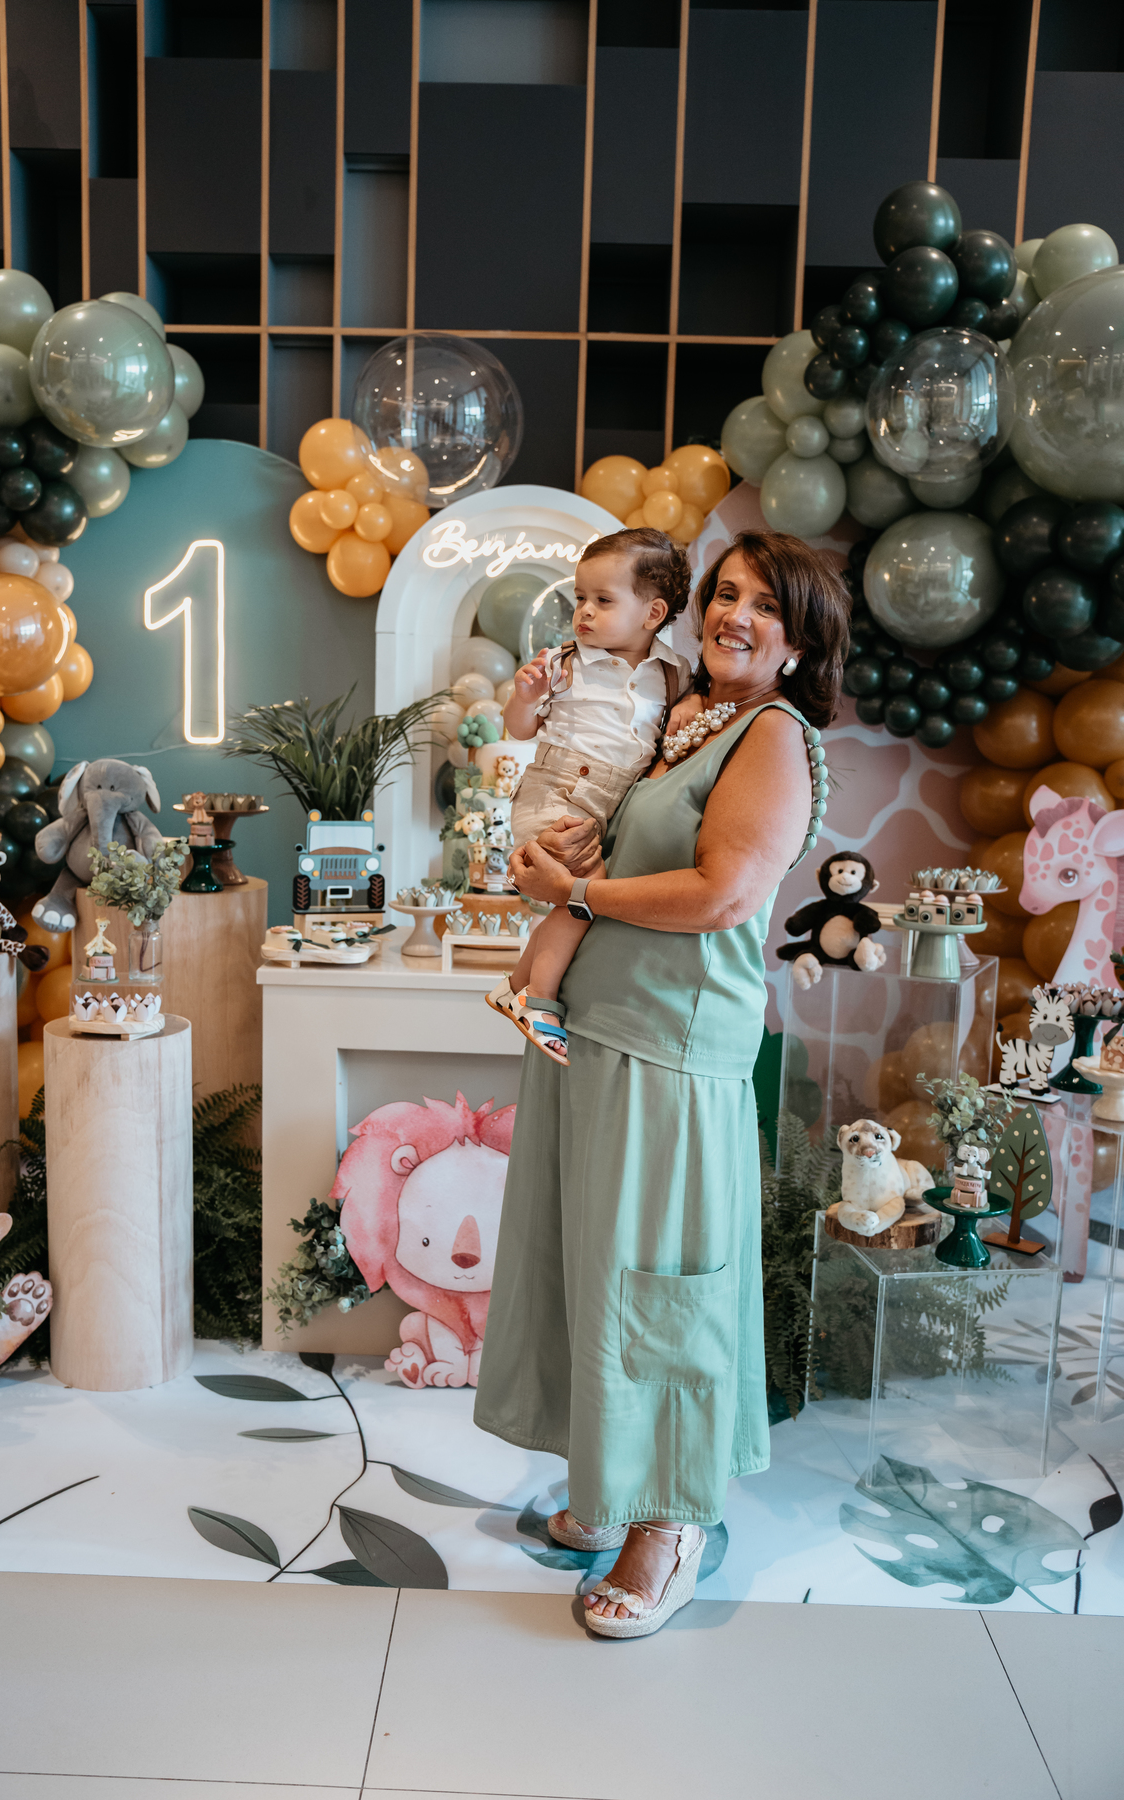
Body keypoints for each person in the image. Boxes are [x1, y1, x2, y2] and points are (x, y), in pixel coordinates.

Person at [473, 530, 847, 1640]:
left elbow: (723, 894)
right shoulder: (683, 712)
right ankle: (611, 1482)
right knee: (596, 1269)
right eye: (726, 593)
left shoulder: (773, 735)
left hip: (673, 1046)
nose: (736, 615)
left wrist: (578, 900)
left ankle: (671, 1522)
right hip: (599, 1027)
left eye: (766, 606)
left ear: (799, 641)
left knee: (661, 1284)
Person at [486, 527, 703, 1065]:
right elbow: (520, 729)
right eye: (580, 597)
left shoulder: (673, 672)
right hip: (557, 790)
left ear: (653, 614)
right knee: (583, 897)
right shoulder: (565, 663)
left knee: (579, 898)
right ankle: (538, 1000)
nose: (584, 611)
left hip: (610, 804)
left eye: (603, 600)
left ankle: (513, 986)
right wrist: (525, 697)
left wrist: (690, 703)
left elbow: (681, 715)